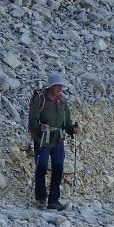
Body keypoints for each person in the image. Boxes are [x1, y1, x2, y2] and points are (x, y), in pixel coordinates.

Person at [28, 72, 80, 211]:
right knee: (42, 166)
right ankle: (40, 199)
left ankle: (53, 200)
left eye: (61, 86)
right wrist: (40, 127)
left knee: (58, 167)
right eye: (57, 86)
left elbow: (67, 121)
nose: (59, 89)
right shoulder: (39, 99)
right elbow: (32, 120)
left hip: (57, 138)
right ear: (50, 86)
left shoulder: (62, 101)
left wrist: (72, 129)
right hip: (43, 138)